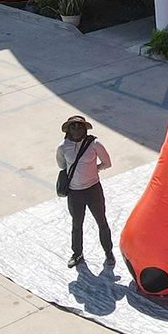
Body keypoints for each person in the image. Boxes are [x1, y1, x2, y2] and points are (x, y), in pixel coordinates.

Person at [57, 115, 114, 268]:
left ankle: (109, 253)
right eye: (73, 126)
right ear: (68, 130)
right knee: (77, 224)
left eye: (80, 126)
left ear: (85, 129)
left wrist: (94, 170)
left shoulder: (94, 144)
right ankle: (77, 254)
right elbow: (62, 166)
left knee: (101, 221)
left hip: (93, 189)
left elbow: (107, 163)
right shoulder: (63, 147)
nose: (77, 128)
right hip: (74, 193)